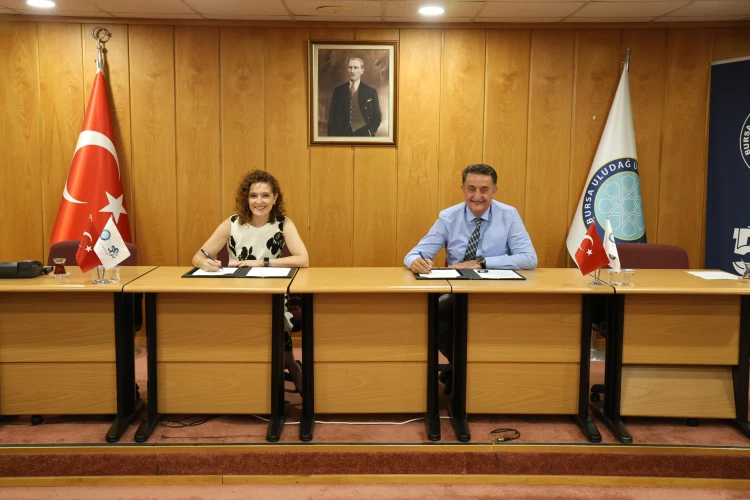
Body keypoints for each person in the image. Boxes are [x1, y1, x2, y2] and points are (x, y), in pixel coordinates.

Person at [403, 164, 537, 394]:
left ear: (494, 190)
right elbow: (415, 253)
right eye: (471, 189)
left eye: (484, 190)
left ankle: (462, 372)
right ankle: (463, 370)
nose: (477, 196)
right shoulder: (448, 217)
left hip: (495, 293)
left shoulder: (509, 215)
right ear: (463, 189)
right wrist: (415, 261)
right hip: (456, 291)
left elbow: (529, 258)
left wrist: (482, 262)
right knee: (434, 312)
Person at [193, 170, 309, 393]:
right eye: (253, 196)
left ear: (275, 198)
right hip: (238, 294)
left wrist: (261, 263)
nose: (259, 201)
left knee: (279, 331)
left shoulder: (283, 224)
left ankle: (291, 370)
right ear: (246, 198)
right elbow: (198, 256)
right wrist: (205, 264)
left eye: (265, 195)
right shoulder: (232, 223)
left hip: (273, 295)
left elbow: (303, 259)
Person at [327, 57, 382, 137]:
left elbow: (377, 117)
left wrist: (370, 132)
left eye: (355, 68)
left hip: (364, 134)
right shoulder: (338, 91)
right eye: (350, 67)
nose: (352, 71)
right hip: (342, 135)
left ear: (362, 71)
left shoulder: (371, 92)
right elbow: (332, 118)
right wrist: (331, 138)